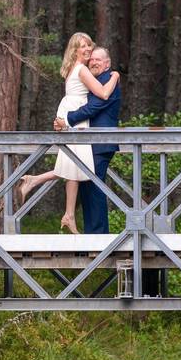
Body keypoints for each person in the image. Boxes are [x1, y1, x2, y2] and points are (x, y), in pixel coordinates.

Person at [18, 34, 119, 234]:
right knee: (77, 165)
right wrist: (116, 75)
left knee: (74, 165)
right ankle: (69, 214)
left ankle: (65, 210)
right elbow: (104, 93)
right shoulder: (82, 69)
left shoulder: (73, 68)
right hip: (75, 117)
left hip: (71, 113)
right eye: (83, 46)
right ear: (74, 50)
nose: (88, 50)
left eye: (89, 45)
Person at [54, 47, 122, 234]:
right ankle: (93, 234)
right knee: (86, 185)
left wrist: (67, 119)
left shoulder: (108, 79)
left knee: (94, 186)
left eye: (98, 60)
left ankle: (98, 236)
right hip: (90, 142)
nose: (93, 62)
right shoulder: (98, 81)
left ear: (107, 64)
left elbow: (93, 108)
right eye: (91, 60)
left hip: (101, 143)